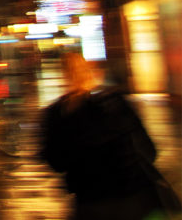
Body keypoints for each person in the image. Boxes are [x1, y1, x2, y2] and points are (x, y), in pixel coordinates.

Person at [41, 52, 176, 219]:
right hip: (134, 199)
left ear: (63, 76)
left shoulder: (57, 114)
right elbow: (149, 150)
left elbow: (55, 162)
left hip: (90, 203)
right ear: (89, 73)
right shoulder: (115, 102)